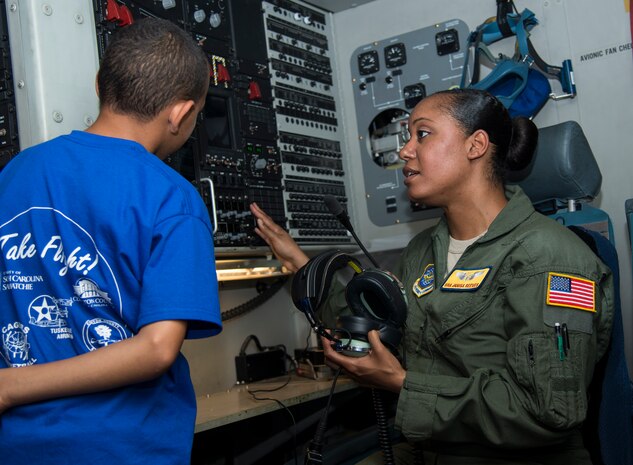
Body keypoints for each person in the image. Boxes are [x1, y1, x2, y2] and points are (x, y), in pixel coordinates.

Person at [250, 88, 613, 464]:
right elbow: (382, 336)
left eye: (422, 134)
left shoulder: (549, 256)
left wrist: (401, 383)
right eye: (408, 137)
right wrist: (301, 264)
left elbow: (548, 411)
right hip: (432, 449)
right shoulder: (423, 252)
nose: (405, 151)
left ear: (476, 145)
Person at [0, 18, 222, 464]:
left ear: (100, 83)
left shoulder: (15, 173)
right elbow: (157, 348)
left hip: (18, 445)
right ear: (180, 113)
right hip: (122, 447)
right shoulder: (173, 197)